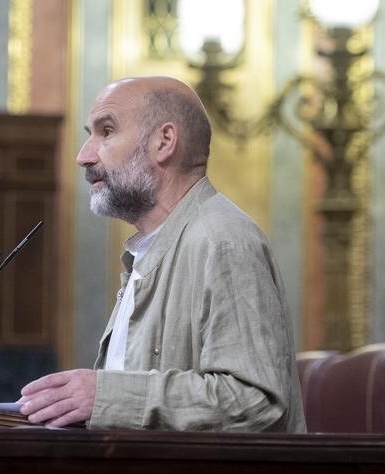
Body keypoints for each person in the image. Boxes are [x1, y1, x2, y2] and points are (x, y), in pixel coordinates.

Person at [18, 76, 306, 432]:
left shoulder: (222, 240)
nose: (83, 155)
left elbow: (253, 401)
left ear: (164, 141)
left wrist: (104, 396)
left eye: (106, 131)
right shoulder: (151, 251)